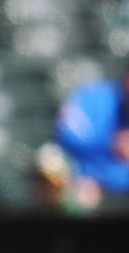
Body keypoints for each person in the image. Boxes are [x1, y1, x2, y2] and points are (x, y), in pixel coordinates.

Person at [55, 69, 129, 206]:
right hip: (76, 177)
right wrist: (111, 145)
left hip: (117, 193)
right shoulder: (95, 96)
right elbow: (67, 133)